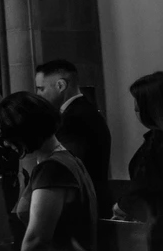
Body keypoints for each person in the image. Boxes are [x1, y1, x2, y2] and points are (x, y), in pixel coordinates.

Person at [0, 92, 98, 251]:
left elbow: (37, 239)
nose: (4, 143)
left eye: (6, 134)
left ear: (23, 130)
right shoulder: (68, 159)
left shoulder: (52, 168)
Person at [34, 59, 113, 218]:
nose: (38, 95)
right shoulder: (81, 111)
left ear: (60, 85)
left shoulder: (75, 119)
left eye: (41, 89)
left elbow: (63, 168)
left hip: (80, 210)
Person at [117, 71, 163, 223]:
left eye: (137, 106)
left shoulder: (159, 144)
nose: (135, 109)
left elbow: (145, 189)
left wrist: (122, 206)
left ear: (151, 108)